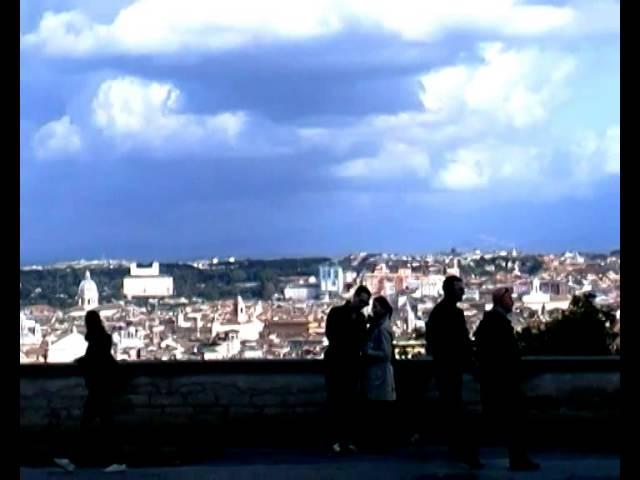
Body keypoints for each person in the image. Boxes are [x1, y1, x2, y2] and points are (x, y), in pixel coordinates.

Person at [474, 287, 540, 472]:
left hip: (496, 380)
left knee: (494, 420)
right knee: (513, 421)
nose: (512, 301)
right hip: (502, 380)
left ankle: (472, 454)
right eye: (509, 297)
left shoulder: (490, 322)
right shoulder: (498, 323)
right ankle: (517, 458)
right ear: (501, 301)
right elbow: (503, 353)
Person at [54, 311, 127, 473]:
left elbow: (93, 359)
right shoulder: (103, 338)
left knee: (92, 426)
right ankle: (115, 460)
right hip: (103, 387)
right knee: (101, 425)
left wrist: (80, 361)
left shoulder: (96, 340)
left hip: (99, 388)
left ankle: (76, 461)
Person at [424, 275, 483, 469]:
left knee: (452, 410)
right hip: (451, 368)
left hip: (445, 368)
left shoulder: (437, 313)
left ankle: (456, 449)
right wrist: (470, 362)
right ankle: (465, 452)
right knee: (457, 411)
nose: (463, 291)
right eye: (459, 289)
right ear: (450, 290)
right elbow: (462, 342)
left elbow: (431, 342)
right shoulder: (453, 314)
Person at [324, 285, 371, 454]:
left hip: (348, 364)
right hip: (339, 363)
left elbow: (362, 340)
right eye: (362, 301)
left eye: (365, 303)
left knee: (349, 404)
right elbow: (331, 334)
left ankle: (346, 440)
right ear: (355, 297)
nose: (363, 305)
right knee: (337, 403)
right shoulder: (337, 312)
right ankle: (336, 440)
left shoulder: (358, 318)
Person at [362, 296, 396, 452]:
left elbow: (386, 354)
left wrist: (367, 352)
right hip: (379, 373)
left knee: (380, 409)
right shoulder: (381, 326)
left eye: (376, 307)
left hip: (380, 373)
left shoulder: (382, 329)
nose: (373, 310)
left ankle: (380, 443)